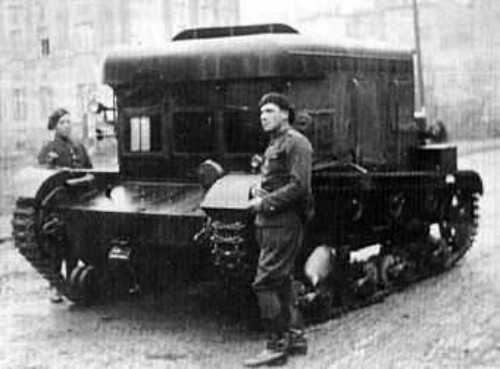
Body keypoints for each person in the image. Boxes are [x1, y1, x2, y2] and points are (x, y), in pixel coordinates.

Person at [244, 93, 313, 367]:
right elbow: (276, 180)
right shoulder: (276, 143)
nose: (263, 116)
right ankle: (295, 338)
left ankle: (275, 345)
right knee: (282, 281)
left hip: (282, 223)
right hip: (271, 222)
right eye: (261, 112)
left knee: (264, 282)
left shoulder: (297, 143)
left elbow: (300, 186)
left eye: (270, 111)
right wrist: (257, 189)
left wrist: (265, 201)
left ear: (285, 113)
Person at [38, 108, 92, 303]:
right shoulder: (49, 148)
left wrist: (83, 181)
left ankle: (71, 281)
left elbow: (90, 170)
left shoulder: (78, 146)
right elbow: (43, 176)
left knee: (74, 247)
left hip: (78, 202)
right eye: (62, 122)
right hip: (58, 205)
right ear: (54, 125)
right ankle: (55, 286)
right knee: (56, 248)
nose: (66, 126)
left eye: (69, 122)